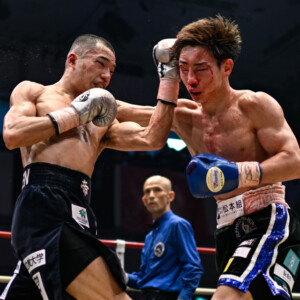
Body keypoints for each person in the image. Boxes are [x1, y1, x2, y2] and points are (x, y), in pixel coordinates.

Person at [116, 15, 300, 300]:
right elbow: (122, 111)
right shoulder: (184, 117)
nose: (191, 79)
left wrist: (239, 173)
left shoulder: (254, 104)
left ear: (226, 67)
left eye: (201, 69)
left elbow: (295, 161)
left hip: (266, 218)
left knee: (226, 296)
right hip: (225, 228)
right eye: (183, 69)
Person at [0, 33, 180, 300]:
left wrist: (170, 78)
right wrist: (74, 115)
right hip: (44, 208)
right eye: (101, 63)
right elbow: (13, 134)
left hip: (80, 211)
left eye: (112, 70)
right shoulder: (34, 92)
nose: (107, 75)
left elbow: (152, 136)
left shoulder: (103, 114)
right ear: (73, 59)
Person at [125, 175, 203, 300]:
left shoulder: (178, 225)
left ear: (170, 196)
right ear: (143, 200)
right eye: (147, 192)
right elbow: (143, 278)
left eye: (157, 190)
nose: (151, 195)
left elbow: (193, 268)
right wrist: (121, 275)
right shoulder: (150, 236)